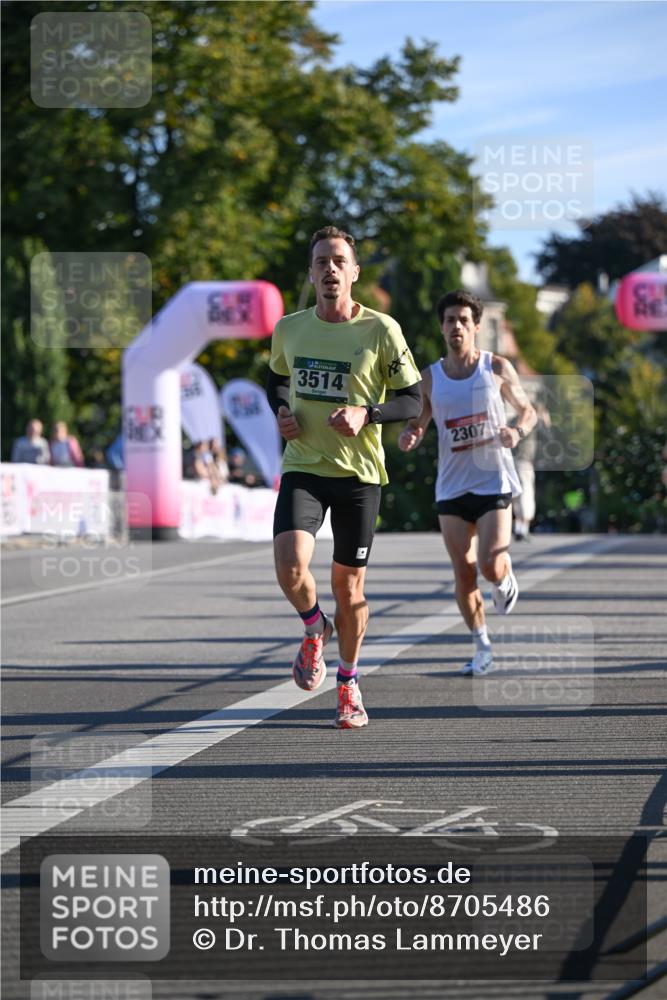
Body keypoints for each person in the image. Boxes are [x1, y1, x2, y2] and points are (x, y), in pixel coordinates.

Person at [267, 225, 421, 728]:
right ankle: (315, 629)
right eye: (321, 262)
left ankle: (349, 682)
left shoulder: (381, 330)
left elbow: (413, 400)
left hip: (359, 474)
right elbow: (277, 380)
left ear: (354, 272)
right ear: (311, 274)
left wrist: (367, 415)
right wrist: (283, 411)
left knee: (349, 588)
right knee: (290, 565)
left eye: (339, 261)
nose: (330, 269)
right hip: (304, 465)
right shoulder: (290, 328)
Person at [399, 289, 536, 676]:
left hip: (492, 481)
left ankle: (504, 576)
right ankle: (482, 646)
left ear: (476, 327)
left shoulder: (496, 368)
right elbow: (417, 422)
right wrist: (411, 435)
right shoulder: (429, 377)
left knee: (491, 565)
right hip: (452, 487)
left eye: (463, 320)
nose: (456, 326)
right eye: (449, 321)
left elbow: (527, 411)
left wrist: (517, 432)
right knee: (464, 572)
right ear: (442, 328)